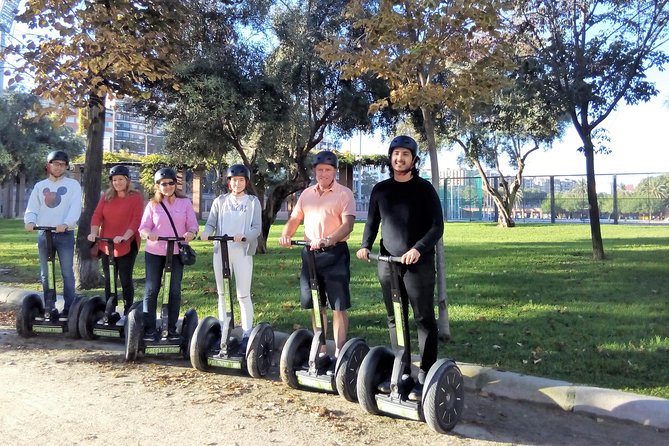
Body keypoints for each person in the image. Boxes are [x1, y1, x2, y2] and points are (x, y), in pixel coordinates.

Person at [356, 135, 443, 402]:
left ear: (414, 160)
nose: (399, 158)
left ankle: (426, 372)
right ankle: (402, 369)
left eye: (405, 154)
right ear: (390, 158)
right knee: (395, 318)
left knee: (423, 318)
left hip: (418, 264)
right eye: (396, 154)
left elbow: (437, 227)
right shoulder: (381, 189)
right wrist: (365, 245)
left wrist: (418, 248)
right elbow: (372, 222)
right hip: (388, 263)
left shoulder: (424, 189)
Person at [278, 150, 355, 362]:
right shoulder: (306, 194)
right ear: (315, 171)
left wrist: (329, 239)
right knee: (315, 303)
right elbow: (295, 218)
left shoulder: (344, 194)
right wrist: (286, 234)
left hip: (335, 253)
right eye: (320, 170)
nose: (323, 174)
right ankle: (321, 348)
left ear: (335, 171)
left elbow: (348, 224)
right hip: (310, 254)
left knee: (338, 305)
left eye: (328, 170)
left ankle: (339, 351)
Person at [200, 164, 262, 353]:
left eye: (241, 180)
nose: (237, 183)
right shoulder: (220, 201)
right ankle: (224, 330)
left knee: (243, 294)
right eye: (234, 180)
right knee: (222, 293)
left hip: (242, 252)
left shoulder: (252, 202)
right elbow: (211, 223)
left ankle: (246, 333)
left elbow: (256, 227)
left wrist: (245, 236)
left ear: (246, 182)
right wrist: (206, 232)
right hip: (221, 250)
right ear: (229, 182)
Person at [138, 168, 199, 341]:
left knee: (173, 290)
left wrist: (190, 233)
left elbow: (193, 225)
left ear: (175, 184)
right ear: (157, 186)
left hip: (176, 252)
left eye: (171, 183)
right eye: (163, 184)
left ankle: (171, 327)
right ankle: (149, 328)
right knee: (151, 289)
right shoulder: (152, 205)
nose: (168, 186)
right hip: (155, 251)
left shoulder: (185, 203)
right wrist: (148, 234)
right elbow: (143, 227)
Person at [23, 150, 82, 318]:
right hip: (44, 233)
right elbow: (32, 208)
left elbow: (75, 208)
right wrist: (30, 221)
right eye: (55, 164)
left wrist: (66, 224)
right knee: (45, 272)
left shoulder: (72, 185)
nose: (58, 167)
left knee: (67, 272)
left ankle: (70, 308)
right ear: (48, 165)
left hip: (65, 234)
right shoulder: (40, 186)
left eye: (62, 164)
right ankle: (50, 305)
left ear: (66, 166)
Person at [87, 165, 144, 316]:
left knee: (125, 278)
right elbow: (97, 215)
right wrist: (93, 233)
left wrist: (126, 236)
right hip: (107, 243)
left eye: (120, 179)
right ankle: (110, 308)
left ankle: (128, 309)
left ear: (127, 180)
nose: (117, 182)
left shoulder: (135, 197)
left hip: (127, 242)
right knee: (109, 278)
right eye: (114, 180)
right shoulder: (106, 196)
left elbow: (136, 220)